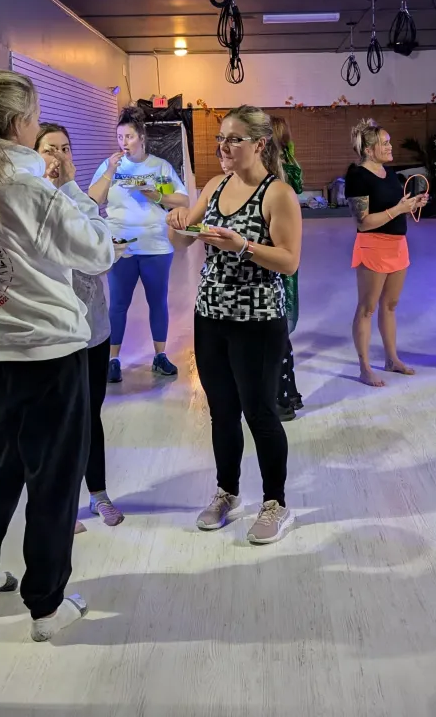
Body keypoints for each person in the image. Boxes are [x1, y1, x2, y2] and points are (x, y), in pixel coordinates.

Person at [0, 69, 115, 642]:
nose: (40, 132)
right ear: (18, 124)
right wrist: (70, 192)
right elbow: (99, 252)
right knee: (55, 477)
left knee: (3, 463)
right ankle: (45, 605)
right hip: (53, 351)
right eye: (36, 121)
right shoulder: (33, 189)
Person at [166, 106, 302, 545]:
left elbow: (289, 260)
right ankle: (227, 492)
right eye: (220, 139)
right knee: (221, 411)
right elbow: (185, 241)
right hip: (211, 315)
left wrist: (243, 244)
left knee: (259, 412)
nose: (223, 147)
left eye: (233, 139)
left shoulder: (277, 193)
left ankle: (276, 503)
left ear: (259, 145)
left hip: (258, 319)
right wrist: (177, 222)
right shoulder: (214, 184)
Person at [34, 123, 124, 530]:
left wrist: (70, 187)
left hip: (91, 327)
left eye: (65, 150)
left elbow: (98, 259)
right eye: (50, 150)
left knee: (90, 413)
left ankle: (98, 493)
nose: (58, 158)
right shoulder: (28, 201)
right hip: (51, 332)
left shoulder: (79, 200)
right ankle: (60, 501)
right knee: (55, 418)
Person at [88, 109, 188, 382]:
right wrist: (109, 170)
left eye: (129, 136)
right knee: (118, 303)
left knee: (158, 302)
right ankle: (113, 359)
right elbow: (92, 199)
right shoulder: (111, 166)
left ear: (141, 137)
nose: (124, 142)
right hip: (120, 245)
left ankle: (160, 356)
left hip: (155, 245)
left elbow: (181, 201)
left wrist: (156, 194)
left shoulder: (159, 167)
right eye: (120, 137)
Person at [345, 119, 427, 387]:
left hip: (397, 245)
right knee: (367, 308)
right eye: (385, 143)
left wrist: (412, 205)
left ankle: (392, 359)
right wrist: (398, 210)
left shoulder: (390, 174)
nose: (390, 146)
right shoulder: (357, 176)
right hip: (373, 245)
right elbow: (363, 221)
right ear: (369, 150)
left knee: (390, 306)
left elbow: (397, 207)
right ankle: (365, 367)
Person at [271, 114, 304, 419]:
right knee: (280, 330)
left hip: (273, 257)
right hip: (284, 256)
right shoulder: (290, 168)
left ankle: (281, 398)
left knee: (275, 331)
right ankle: (287, 394)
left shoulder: (272, 176)